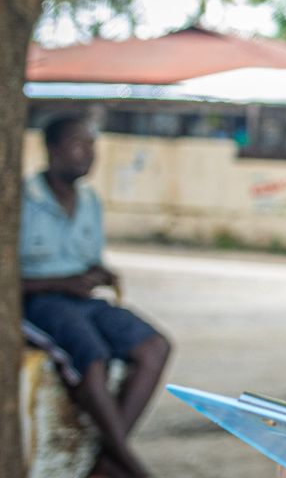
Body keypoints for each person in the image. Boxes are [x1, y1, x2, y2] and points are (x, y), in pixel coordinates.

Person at [22, 116, 172, 478]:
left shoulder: (89, 200)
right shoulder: (22, 199)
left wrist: (99, 273)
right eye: (79, 144)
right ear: (52, 149)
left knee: (154, 346)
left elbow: (86, 261)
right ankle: (126, 462)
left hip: (82, 300)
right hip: (38, 302)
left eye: (92, 146)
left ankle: (107, 460)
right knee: (93, 359)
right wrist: (61, 282)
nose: (89, 154)